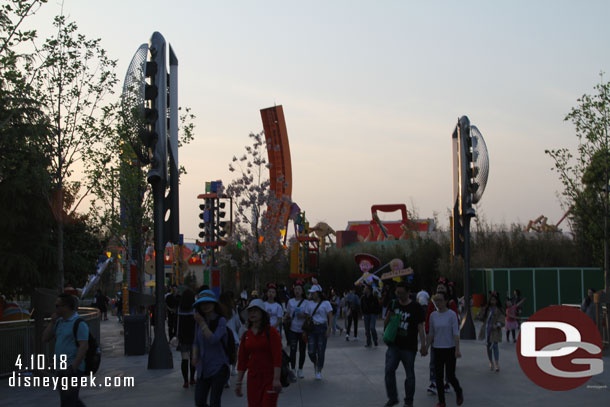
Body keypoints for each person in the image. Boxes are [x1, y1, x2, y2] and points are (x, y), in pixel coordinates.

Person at [383, 281, 427, 407]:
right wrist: (385, 334)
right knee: (389, 370)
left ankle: (408, 401)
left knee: (410, 375)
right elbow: (387, 319)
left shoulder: (416, 307)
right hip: (394, 345)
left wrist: (423, 345)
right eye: (398, 293)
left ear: (409, 293)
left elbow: (420, 327)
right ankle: (393, 397)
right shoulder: (394, 303)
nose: (400, 296)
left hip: (409, 347)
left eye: (402, 293)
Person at [42, 293, 89, 407]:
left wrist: (73, 367)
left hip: (72, 369)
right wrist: (52, 322)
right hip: (60, 368)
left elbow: (84, 346)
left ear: (66, 306)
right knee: (70, 400)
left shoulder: (79, 323)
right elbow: (45, 338)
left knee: (68, 401)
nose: (56, 308)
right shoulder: (58, 322)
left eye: (58, 305)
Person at [235, 299, 282, 407]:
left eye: (255, 311)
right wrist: (239, 382)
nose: (252, 314)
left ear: (262, 313)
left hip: (269, 378)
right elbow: (242, 360)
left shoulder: (271, 332)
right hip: (253, 378)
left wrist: (276, 379)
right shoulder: (246, 334)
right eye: (250, 311)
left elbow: (277, 357)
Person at [192, 290, 230, 407]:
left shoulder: (221, 321)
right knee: (199, 401)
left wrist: (203, 323)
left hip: (219, 366)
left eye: (209, 302)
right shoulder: (199, 322)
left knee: (214, 401)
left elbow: (213, 339)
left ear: (214, 304)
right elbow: (196, 342)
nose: (206, 305)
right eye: (202, 303)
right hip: (203, 368)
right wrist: (194, 358)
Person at [425, 292, 464, 407]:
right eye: (436, 300)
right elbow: (431, 334)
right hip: (437, 349)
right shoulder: (433, 316)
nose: (438, 303)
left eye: (440, 300)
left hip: (450, 348)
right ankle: (441, 402)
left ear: (446, 301)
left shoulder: (452, 315)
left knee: (450, 375)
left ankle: (458, 391)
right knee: (438, 377)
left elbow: (456, 333)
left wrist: (457, 349)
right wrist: (426, 348)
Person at [305, 285, 333, 380]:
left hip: (322, 328)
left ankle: (319, 370)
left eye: (314, 293)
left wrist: (329, 328)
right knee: (311, 351)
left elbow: (330, 316)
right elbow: (307, 316)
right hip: (312, 328)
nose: (312, 294)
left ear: (318, 293)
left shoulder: (326, 303)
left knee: (321, 350)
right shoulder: (309, 303)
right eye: (311, 293)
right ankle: (315, 363)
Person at [285, 281, 309, 378]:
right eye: (295, 289)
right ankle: (293, 369)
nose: (297, 291)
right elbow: (288, 313)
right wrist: (285, 317)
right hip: (292, 329)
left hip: (303, 330)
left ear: (302, 291)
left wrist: (303, 315)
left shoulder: (306, 302)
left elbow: (308, 315)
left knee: (302, 350)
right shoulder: (290, 301)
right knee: (293, 349)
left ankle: (300, 369)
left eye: (299, 289)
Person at [476, 292, 504, 372]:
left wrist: (497, 324)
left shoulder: (499, 310)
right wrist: (479, 314)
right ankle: (491, 362)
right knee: (488, 346)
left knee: (495, 345)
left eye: (494, 300)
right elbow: (482, 318)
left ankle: (496, 363)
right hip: (487, 329)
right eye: (491, 300)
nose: (493, 301)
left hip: (494, 330)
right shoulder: (486, 309)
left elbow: (502, 318)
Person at [219, 291, 242, 376]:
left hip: (221, 336)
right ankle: (233, 369)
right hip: (233, 336)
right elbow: (237, 324)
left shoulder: (218, 311)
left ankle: (226, 372)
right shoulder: (233, 310)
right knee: (233, 353)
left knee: (224, 355)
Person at [177, 289, 196, 388]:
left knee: (184, 359)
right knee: (193, 358)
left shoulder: (180, 308)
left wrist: (177, 336)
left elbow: (178, 324)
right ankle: (192, 379)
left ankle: (185, 381)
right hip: (193, 337)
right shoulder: (194, 308)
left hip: (183, 337)